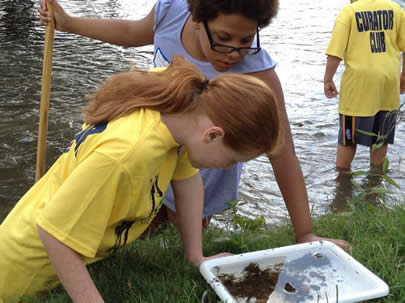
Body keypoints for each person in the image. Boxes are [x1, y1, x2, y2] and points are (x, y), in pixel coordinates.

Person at [39, 0, 349, 249]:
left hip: (203, 175)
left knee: (179, 243)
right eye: (224, 39)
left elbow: (281, 152)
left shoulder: (256, 70)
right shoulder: (170, 12)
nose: (234, 53)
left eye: (247, 40)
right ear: (197, 17)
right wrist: (68, 23)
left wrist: (305, 233)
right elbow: (130, 32)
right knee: (119, 236)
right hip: (147, 158)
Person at [0, 56, 282, 302]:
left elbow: (188, 181)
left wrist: (196, 257)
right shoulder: (128, 154)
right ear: (213, 136)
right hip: (24, 275)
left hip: (51, 244)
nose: (227, 168)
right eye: (232, 160)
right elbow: (53, 234)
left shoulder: (183, 107)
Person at [324, 0, 405, 171]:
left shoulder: (349, 13)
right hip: (388, 85)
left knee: (348, 139)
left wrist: (328, 79)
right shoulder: (396, 10)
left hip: (359, 86)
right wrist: (404, 75)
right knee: (381, 137)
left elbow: (335, 52)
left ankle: (342, 180)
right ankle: (375, 180)